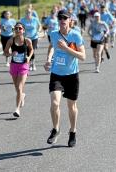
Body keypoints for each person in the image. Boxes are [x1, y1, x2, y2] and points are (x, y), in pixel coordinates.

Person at [44, 10, 86, 147]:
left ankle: (73, 131)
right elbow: (51, 48)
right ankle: (55, 129)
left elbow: (83, 56)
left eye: (65, 18)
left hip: (72, 75)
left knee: (71, 106)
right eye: (60, 17)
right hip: (56, 74)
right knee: (55, 103)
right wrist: (48, 59)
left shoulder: (76, 35)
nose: (62, 20)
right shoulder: (54, 34)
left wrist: (66, 48)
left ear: (70, 20)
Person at [4, 22, 33, 118]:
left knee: (19, 87)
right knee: (17, 88)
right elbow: (5, 52)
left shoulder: (27, 41)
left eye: (20, 28)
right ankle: (22, 96)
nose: (17, 30)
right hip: (14, 66)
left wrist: (29, 57)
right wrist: (11, 54)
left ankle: (17, 109)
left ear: (23, 30)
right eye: (16, 28)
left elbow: (31, 50)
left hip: (23, 66)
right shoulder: (11, 41)